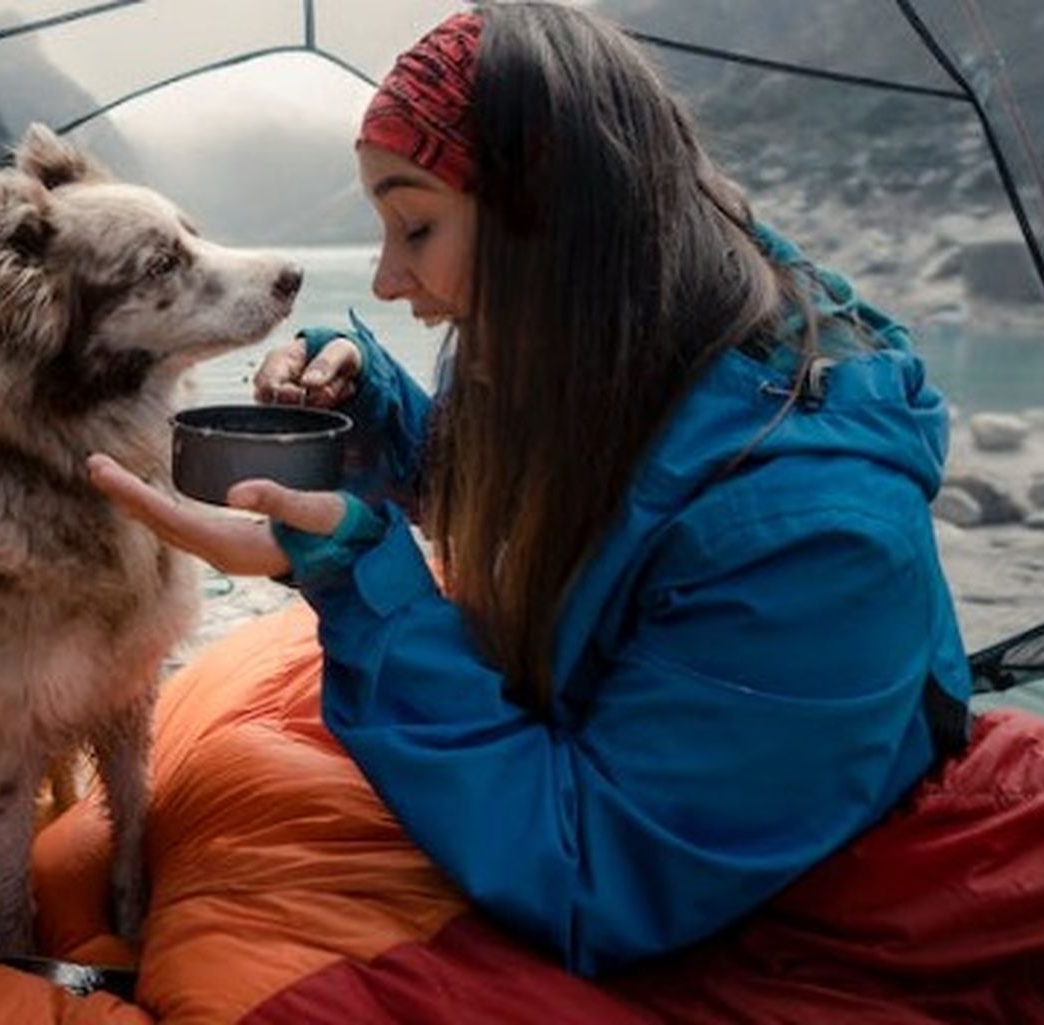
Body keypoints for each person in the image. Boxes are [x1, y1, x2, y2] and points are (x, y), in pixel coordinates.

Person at [87, 2, 971, 976]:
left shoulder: (812, 540)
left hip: (691, 876)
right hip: (615, 730)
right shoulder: (582, 332)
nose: (385, 280)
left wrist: (352, 580)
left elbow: (601, 877)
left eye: (415, 224)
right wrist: (375, 416)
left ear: (551, 215)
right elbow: (555, 509)